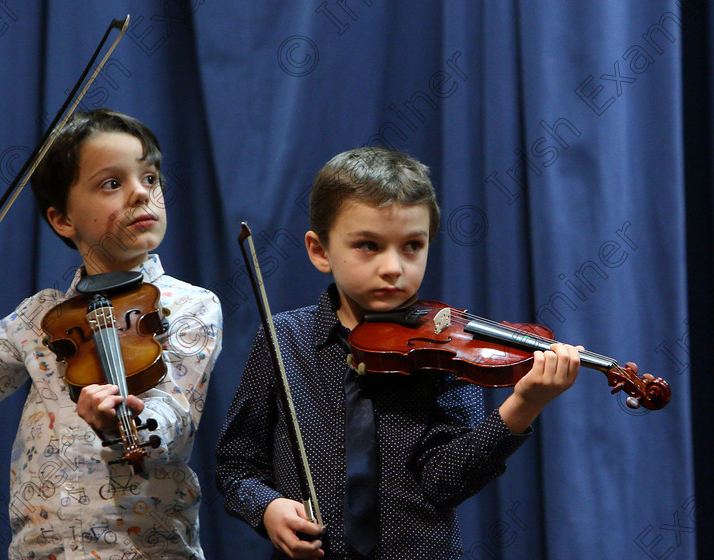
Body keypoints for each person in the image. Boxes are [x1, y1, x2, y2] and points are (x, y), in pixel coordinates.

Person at [215, 146, 580, 559]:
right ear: (320, 251)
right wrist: (267, 508)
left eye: (411, 246)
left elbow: (445, 483)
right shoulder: (283, 339)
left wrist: (523, 405)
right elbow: (236, 466)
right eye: (368, 245)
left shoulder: (446, 349)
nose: (393, 267)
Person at [0, 109, 222, 559]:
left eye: (151, 178)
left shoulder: (190, 305)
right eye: (112, 183)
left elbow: (175, 425)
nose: (142, 193)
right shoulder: (39, 317)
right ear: (62, 220)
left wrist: (124, 426)